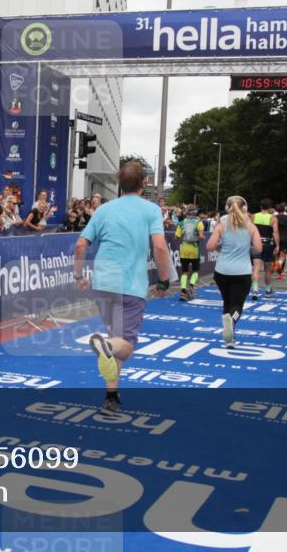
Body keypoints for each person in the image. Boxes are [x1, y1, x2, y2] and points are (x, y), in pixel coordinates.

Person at [74, 162, 171, 413]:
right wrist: (163, 279)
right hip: (130, 285)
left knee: (115, 340)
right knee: (124, 346)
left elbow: (80, 244)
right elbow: (160, 247)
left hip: (103, 283)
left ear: (120, 183)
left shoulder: (104, 210)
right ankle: (104, 348)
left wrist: (78, 275)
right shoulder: (151, 210)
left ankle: (111, 397)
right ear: (143, 184)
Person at [206, 196, 262, 348]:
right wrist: (247, 248)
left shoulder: (221, 224)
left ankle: (229, 338)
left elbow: (209, 246)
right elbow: (258, 248)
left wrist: (220, 246)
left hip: (222, 271)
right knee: (237, 305)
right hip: (242, 272)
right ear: (245, 208)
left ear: (226, 208)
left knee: (227, 302)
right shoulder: (250, 226)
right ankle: (232, 322)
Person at [250, 198, 279, 300]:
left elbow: (249, 230)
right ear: (270, 207)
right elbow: (275, 233)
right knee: (267, 270)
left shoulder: (253, 216)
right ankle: (267, 290)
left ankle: (255, 290)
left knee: (256, 269)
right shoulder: (273, 218)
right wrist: (278, 245)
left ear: (260, 206)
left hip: (256, 244)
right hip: (268, 244)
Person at [175, 206, 204, 301]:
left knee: (184, 271)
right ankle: (191, 286)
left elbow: (176, 237)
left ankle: (183, 292)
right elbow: (201, 236)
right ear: (196, 213)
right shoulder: (199, 223)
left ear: (186, 213)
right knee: (196, 270)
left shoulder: (182, 223)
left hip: (184, 249)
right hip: (194, 249)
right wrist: (200, 236)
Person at [274, 202, 287, 279]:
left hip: (276, 238)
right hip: (285, 238)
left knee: (276, 255)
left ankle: (278, 269)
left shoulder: (274, 217)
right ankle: (280, 271)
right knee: (283, 257)